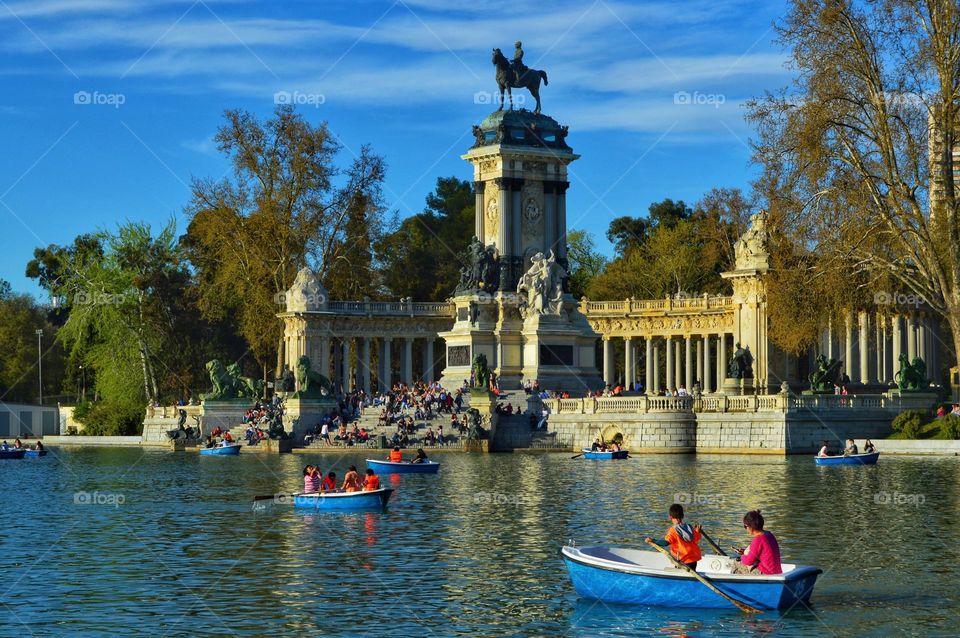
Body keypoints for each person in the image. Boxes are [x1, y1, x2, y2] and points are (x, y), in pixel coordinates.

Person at [645, 503, 702, 571]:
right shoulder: (689, 527)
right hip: (694, 560)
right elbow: (697, 538)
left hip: (683, 561)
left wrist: (653, 540)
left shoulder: (673, 530)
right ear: (682, 516)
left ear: (670, 517)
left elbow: (666, 543)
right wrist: (697, 531)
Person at [731, 510, 782, 575]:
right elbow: (760, 554)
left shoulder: (758, 539)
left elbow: (749, 561)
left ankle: (733, 584)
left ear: (751, 527)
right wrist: (744, 552)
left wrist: (742, 557)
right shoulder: (769, 534)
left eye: (745, 526)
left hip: (766, 573)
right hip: (777, 572)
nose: (745, 529)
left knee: (736, 563)